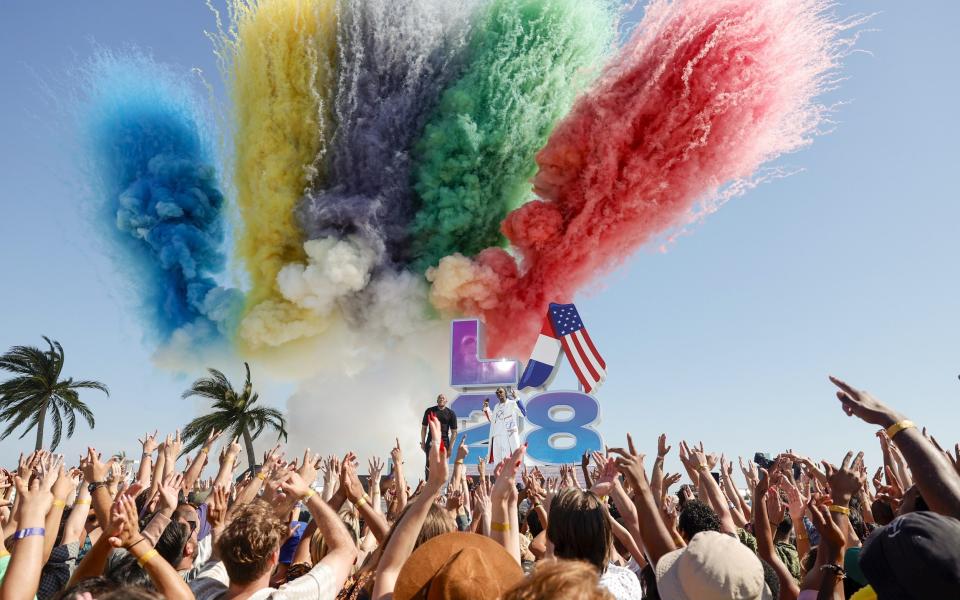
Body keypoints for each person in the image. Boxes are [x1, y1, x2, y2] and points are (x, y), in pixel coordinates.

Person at [420, 394, 457, 479]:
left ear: (446, 401)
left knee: (441, 465)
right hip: (431, 441)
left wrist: (450, 448)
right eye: (439, 398)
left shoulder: (451, 413)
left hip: (444, 442)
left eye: (443, 398)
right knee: (429, 463)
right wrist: (423, 442)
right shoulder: (429, 411)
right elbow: (424, 428)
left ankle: (438, 488)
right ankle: (427, 484)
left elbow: (454, 432)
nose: (441, 399)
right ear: (437, 400)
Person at [487, 387, 525, 465]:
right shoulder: (496, 406)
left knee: (505, 460)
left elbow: (523, 413)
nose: (499, 394)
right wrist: (486, 408)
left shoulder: (512, 403)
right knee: (497, 462)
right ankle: (497, 477)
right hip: (496, 436)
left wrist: (516, 398)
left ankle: (506, 476)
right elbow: (492, 419)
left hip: (506, 435)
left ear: (505, 393)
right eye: (497, 393)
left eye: (501, 392)